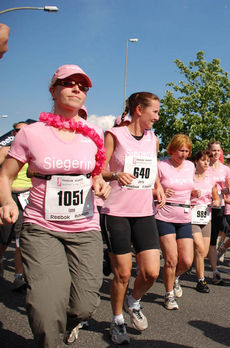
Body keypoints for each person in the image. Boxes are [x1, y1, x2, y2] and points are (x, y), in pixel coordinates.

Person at [0, 64, 110, 347]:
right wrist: (5, 202)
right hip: (41, 227)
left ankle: (66, 325)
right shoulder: (31, 133)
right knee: (46, 306)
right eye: (68, 83)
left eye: (82, 86)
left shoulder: (93, 133)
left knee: (84, 305)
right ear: (53, 89)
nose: (76, 88)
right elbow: (6, 175)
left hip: (85, 228)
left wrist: (99, 183)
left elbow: (95, 173)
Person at [101, 92, 164, 344]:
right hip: (116, 212)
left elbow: (152, 165)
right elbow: (100, 170)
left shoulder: (153, 138)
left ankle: (133, 301)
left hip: (144, 212)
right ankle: (116, 320)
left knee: (150, 272)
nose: (157, 117)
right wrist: (115, 175)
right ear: (139, 109)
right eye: (155, 112)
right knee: (123, 274)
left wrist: (157, 185)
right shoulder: (114, 134)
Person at [155, 134, 196, 310]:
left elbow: (190, 185)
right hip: (165, 215)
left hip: (184, 217)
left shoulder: (190, 166)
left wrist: (195, 192)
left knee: (186, 261)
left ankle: (175, 277)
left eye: (187, 151)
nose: (184, 154)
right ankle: (169, 293)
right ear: (172, 149)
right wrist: (162, 191)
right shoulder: (161, 166)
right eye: (180, 150)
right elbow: (153, 187)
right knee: (171, 259)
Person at [0, 122, 29, 291]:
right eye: (18, 130)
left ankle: (19, 276)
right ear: (13, 132)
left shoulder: (32, 151)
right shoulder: (5, 151)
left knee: (21, 239)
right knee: (4, 238)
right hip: (8, 196)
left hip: (27, 196)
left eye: (25, 130)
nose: (22, 132)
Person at [190, 150, 220, 293]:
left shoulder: (210, 178)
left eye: (208, 160)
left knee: (204, 251)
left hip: (206, 217)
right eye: (203, 160)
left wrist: (216, 201)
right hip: (191, 216)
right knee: (199, 247)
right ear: (196, 161)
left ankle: (187, 264)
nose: (206, 163)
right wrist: (191, 194)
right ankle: (201, 280)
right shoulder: (189, 177)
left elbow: (216, 197)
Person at [207, 141, 230, 285]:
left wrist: (223, 190)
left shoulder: (225, 169)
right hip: (203, 205)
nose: (216, 153)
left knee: (212, 238)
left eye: (218, 150)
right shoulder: (204, 165)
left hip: (219, 205)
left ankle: (215, 271)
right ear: (209, 151)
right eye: (213, 150)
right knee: (200, 238)